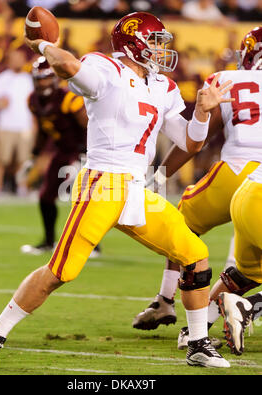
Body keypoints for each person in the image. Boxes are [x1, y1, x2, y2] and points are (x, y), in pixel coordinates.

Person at [0, 12, 233, 370]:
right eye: (155, 41)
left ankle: (198, 344)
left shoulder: (164, 87)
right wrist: (44, 44)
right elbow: (67, 67)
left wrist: (202, 113)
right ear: (134, 42)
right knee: (60, 272)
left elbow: (190, 141)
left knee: (195, 254)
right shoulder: (106, 69)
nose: (161, 50)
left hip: (136, 188)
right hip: (102, 183)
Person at [133, 26, 262, 346]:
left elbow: (198, 139)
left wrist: (158, 177)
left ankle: (170, 303)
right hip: (255, 180)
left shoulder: (228, 79)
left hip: (235, 175)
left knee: (181, 227)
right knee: (247, 271)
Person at [20, 57, 89, 255]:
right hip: (61, 151)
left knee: (81, 199)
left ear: (54, 79)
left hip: (80, 151)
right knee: (46, 197)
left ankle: (92, 246)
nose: (43, 83)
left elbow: (89, 127)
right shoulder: (33, 100)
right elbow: (43, 130)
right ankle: (49, 241)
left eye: (46, 78)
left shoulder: (69, 99)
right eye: (39, 79)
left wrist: (84, 155)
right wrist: (34, 155)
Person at [0, 48, 34, 196]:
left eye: (20, 58)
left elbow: (32, 104)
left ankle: (22, 188)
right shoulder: (2, 78)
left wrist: (33, 124)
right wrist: (0, 104)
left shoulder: (28, 79)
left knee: (23, 160)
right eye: (15, 58)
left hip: (24, 125)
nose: (18, 61)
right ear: (9, 60)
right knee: (2, 159)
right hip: (6, 125)